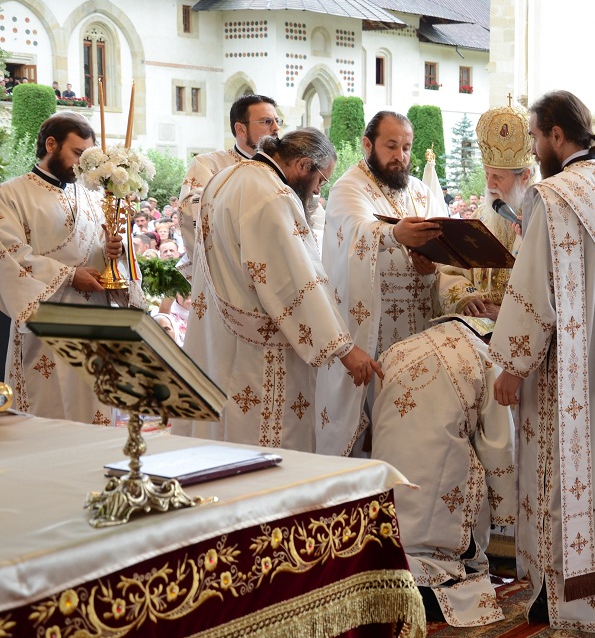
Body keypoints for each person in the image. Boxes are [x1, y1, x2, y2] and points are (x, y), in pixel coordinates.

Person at [489, 90, 595, 634]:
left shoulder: (554, 196)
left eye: (538, 136)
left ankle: (564, 595)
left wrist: (512, 366)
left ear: (557, 136)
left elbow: (533, 290)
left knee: (564, 473)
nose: (537, 147)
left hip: (566, 369)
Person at [177, 129, 381, 451]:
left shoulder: (225, 177)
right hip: (261, 349)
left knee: (224, 432)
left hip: (219, 332)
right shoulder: (273, 194)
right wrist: (343, 347)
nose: (316, 191)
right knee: (263, 443)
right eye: (320, 181)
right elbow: (296, 281)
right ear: (303, 165)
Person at [0, 113, 143, 423]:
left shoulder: (92, 195)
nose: (81, 165)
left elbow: (103, 251)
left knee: (97, 413)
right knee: (47, 414)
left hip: (96, 326)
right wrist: (69, 275)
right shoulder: (10, 195)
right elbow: (9, 256)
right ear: (51, 144)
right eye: (77, 153)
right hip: (47, 326)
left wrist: (113, 255)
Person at [372, 318, 515, 626]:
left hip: (388, 483)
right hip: (441, 478)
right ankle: (431, 584)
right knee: (464, 462)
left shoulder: (398, 348)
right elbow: (498, 446)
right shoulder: (487, 356)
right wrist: (507, 514)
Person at [314, 111, 442, 457]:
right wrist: (393, 233)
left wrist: (430, 266)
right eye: (391, 146)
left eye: (406, 147)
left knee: (417, 433)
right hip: (376, 332)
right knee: (376, 429)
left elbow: (443, 249)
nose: (400, 156)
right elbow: (353, 231)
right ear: (367, 144)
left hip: (420, 330)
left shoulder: (419, 191)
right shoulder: (349, 187)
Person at [437, 103, 531, 322]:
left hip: (517, 332)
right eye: (487, 174)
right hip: (477, 325)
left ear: (524, 177)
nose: (489, 185)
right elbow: (450, 270)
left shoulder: (541, 221)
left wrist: (504, 314)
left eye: (498, 177)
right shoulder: (481, 217)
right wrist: (467, 299)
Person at [178, 95, 282, 275]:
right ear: (240, 129)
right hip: (230, 272)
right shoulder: (208, 164)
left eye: (277, 120)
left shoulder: (284, 165)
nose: (276, 128)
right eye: (267, 121)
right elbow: (190, 211)